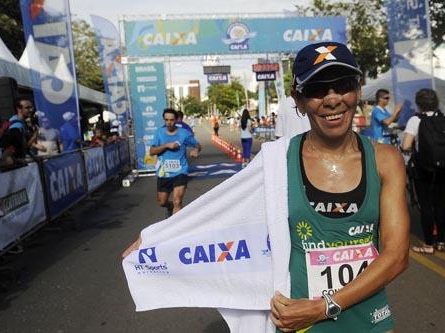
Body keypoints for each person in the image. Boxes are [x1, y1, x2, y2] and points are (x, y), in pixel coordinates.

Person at [122, 42, 409, 332]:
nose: (332, 99)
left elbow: (396, 256)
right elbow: (221, 211)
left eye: (343, 85)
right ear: (298, 99)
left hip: (369, 322)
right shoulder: (276, 160)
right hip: (298, 323)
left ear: (358, 89)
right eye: (317, 89)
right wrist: (159, 240)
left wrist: (323, 307)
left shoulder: (386, 161)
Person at [402, 89, 445, 254]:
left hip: (423, 169)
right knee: (440, 205)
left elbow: (406, 146)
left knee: (426, 206)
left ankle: (428, 245)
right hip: (444, 169)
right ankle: (441, 242)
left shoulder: (415, 120)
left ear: (418, 103)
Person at [150, 108, 201, 216]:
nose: (169, 122)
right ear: (164, 120)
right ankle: (170, 206)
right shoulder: (159, 133)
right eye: (166, 120)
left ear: (176, 120)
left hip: (180, 171)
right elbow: (152, 151)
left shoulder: (184, 133)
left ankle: (175, 228)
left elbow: (197, 145)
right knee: (162, 202)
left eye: (172, 120)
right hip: (164, 173)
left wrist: (196, 150)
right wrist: (166, 145)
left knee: (177, 201)